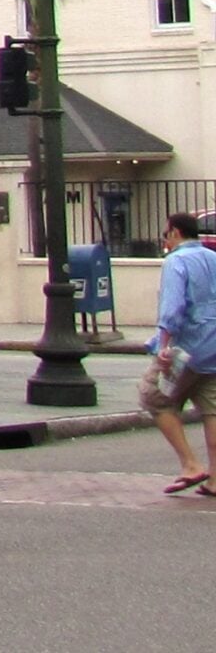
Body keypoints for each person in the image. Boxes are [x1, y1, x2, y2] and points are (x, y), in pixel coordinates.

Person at [141, 211, 216, 495]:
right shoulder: (213, 257)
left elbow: (172, 308)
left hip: (188, 345)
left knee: (154, 396)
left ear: (174, 232)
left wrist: (162, 345)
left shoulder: (176, 261)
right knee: (212, 408)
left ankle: (190, 464)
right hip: (214, 345)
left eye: (165, 234)